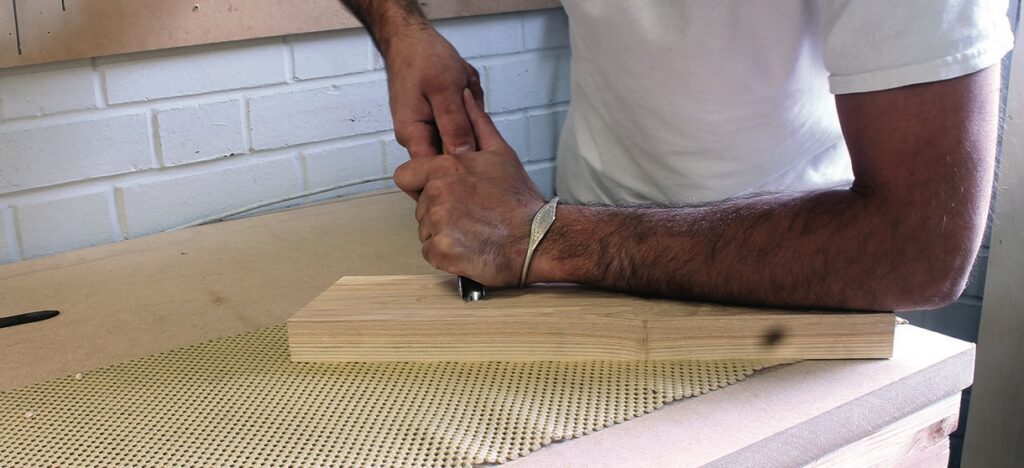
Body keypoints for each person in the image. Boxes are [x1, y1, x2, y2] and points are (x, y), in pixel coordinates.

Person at [340, 1, 1013, 311]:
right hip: (573, 282)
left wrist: (544, 236)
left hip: (795, 298)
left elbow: (919, 249)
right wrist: (402, 30)